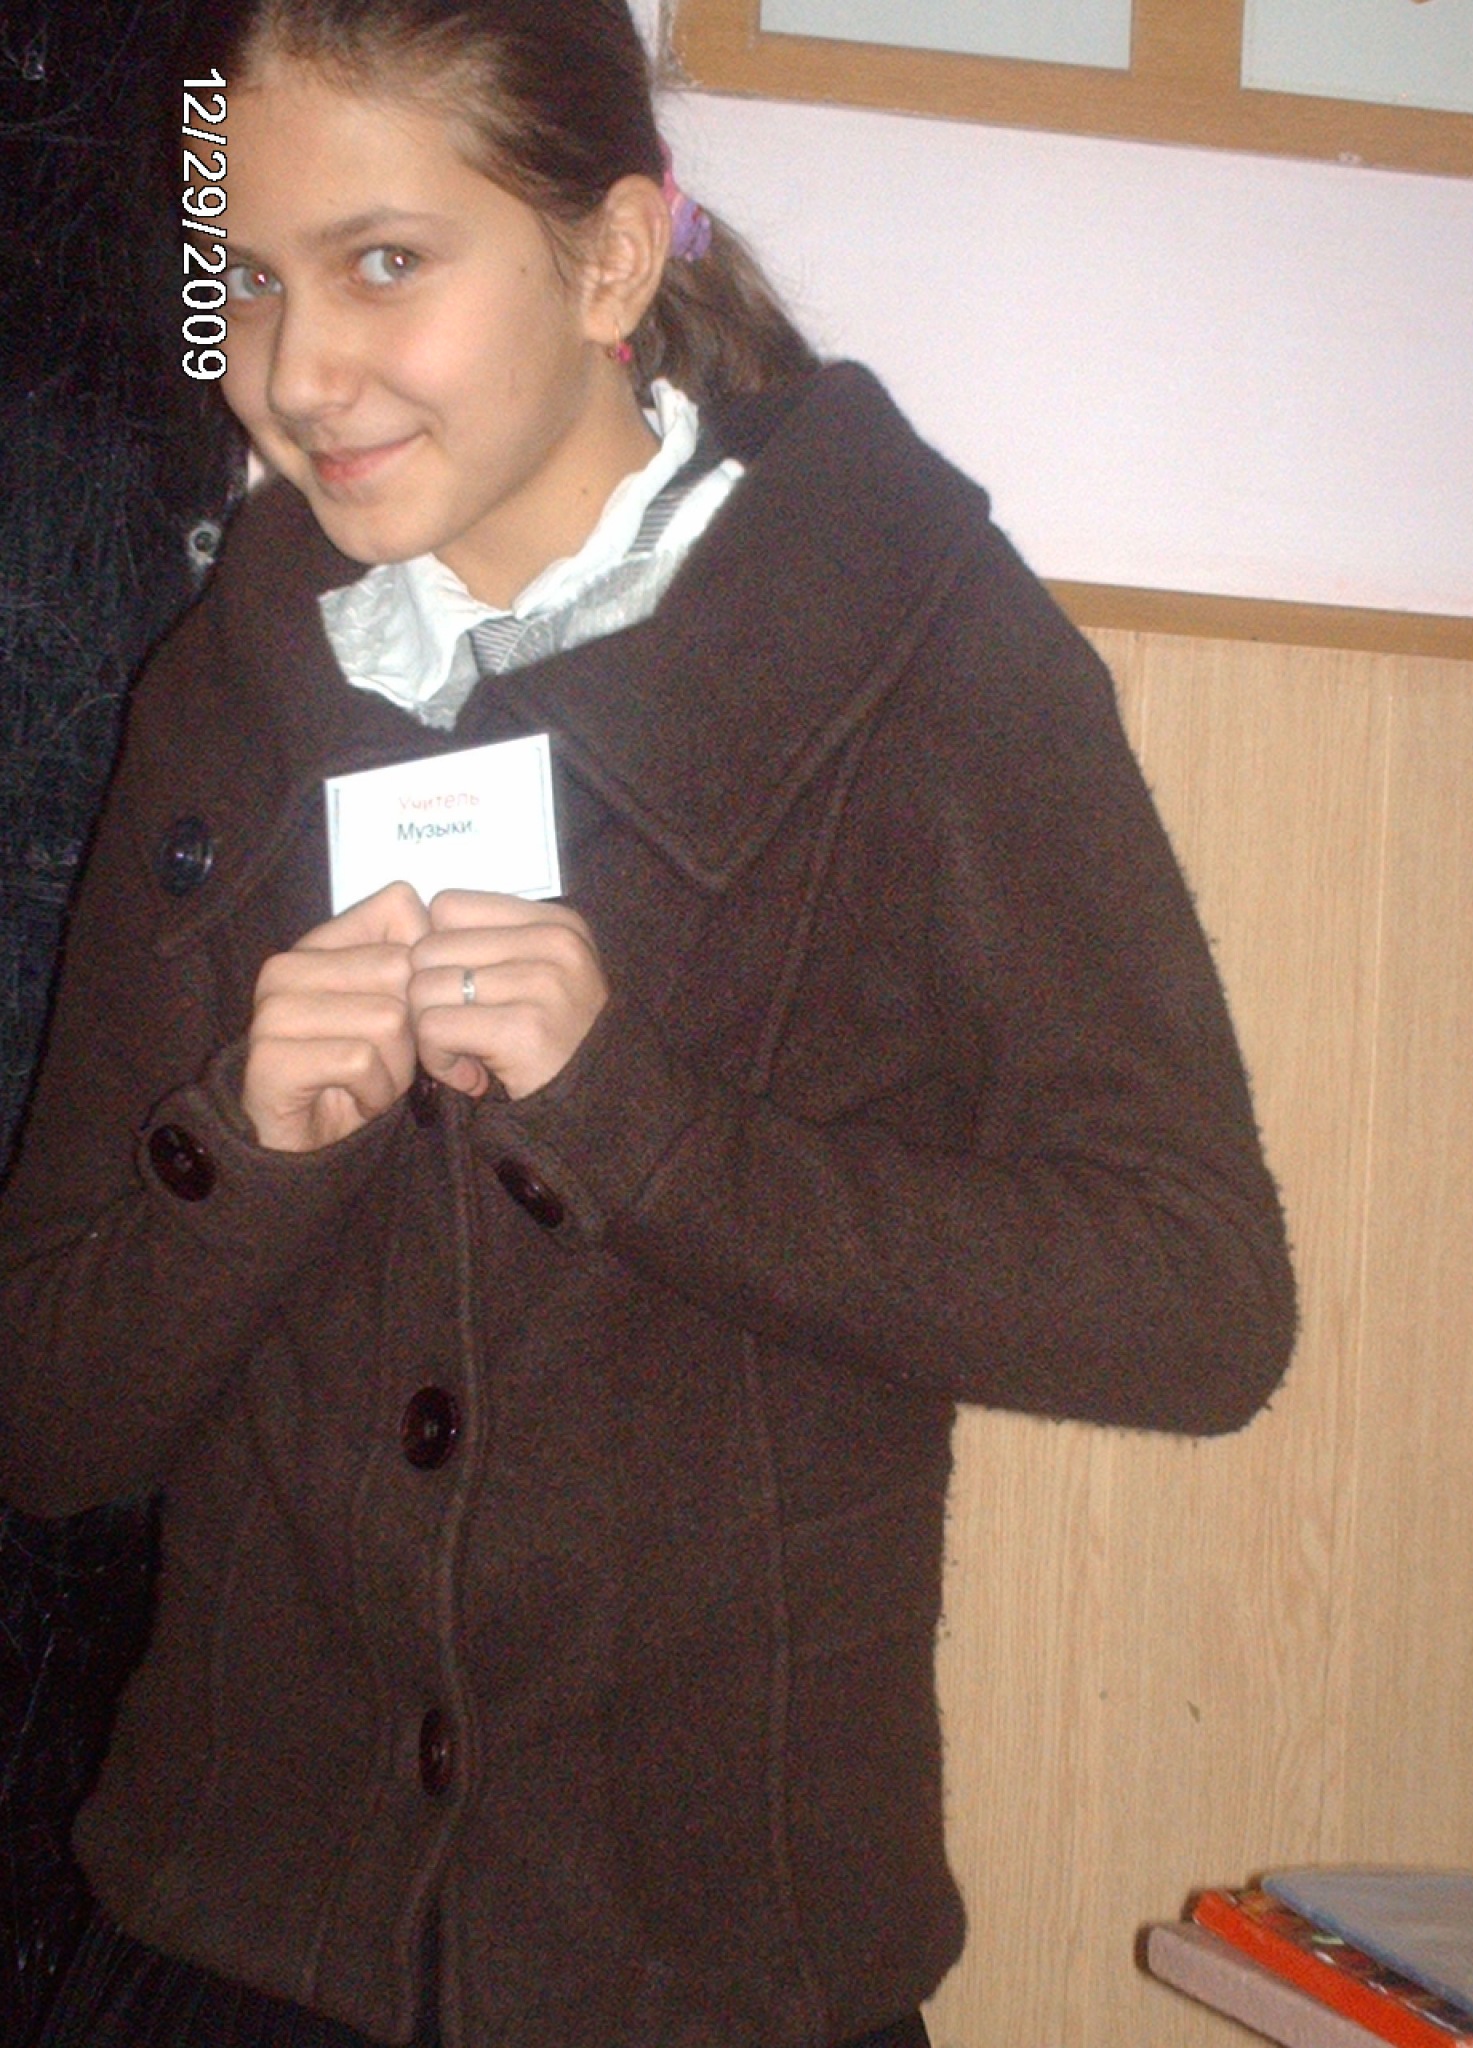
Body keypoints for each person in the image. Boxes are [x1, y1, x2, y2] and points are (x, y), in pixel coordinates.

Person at [0, 2, 1296, 2044]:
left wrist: (645, 1125)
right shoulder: (226, 684)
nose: (295, 372)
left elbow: (1197, 1305)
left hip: (715, 1978)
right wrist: (242, 1150)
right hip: (225, 1954)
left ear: (610, 256)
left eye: (385, 262)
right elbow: (49, 1421)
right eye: (244, 280)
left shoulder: (912, 650)